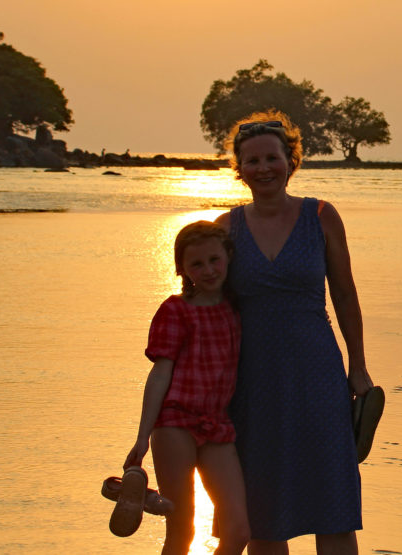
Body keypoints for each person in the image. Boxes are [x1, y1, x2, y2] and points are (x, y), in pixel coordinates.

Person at [216, 111, 374, 555]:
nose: (263, 168)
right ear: (240, 169)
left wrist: (358, 367)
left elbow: (345, 295)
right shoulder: (225, 229)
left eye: (272, 157)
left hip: (317, 373)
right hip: (252, 382)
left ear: (291, 161)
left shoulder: (321, 215)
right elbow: (211, 310)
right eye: (252, 160)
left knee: (333, 504)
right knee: (263, 516)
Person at [122, 221, 250, 554]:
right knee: (182, 529)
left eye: (214, 260)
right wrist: (142, 437)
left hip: (217, 424)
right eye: (197, 264)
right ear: (182, 269)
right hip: (175, 423)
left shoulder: (237, 308)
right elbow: (160, 375)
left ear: (228, 257)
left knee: (238, 530)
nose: (208, 270)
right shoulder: (175, 310)